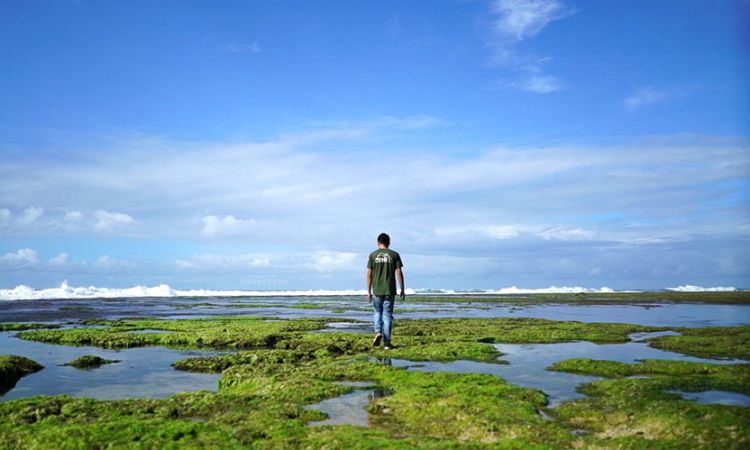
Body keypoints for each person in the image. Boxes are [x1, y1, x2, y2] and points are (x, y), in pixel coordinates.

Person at [366, 232, 405, 350]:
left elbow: (369, 274)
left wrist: (368, 291)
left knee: (377, 312)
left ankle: (378, 332)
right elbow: (399, 272)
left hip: (377, 289)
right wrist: (402, 288)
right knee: (387, 315)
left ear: (378, 242)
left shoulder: (373, 255)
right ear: (389, 242)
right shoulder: (394, 255)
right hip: (390, 290)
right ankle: (387, 343)